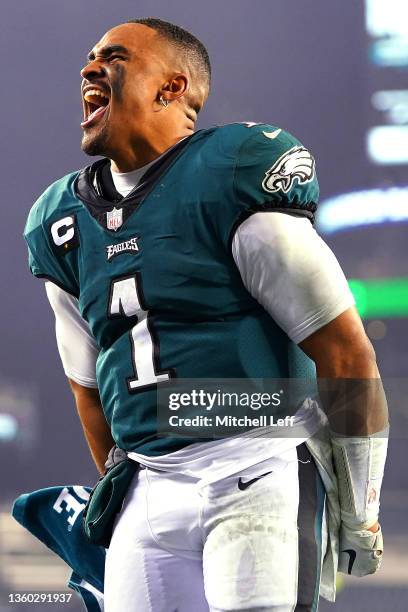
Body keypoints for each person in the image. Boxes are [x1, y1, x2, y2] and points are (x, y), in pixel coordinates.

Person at [23, 17, 388, 612]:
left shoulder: (231, 173)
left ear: (172, 87)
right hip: (148, 485)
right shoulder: (60, 223)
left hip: (257, 464)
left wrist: (359, 508)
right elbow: (88, 390)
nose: (89, 68)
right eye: (89, 57)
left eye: (112, 57)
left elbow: (345, 350)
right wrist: (124, 487)